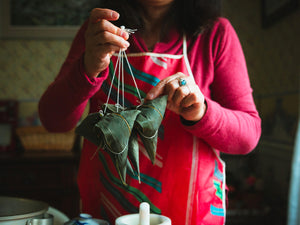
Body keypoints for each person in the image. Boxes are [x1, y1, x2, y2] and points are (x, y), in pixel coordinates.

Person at [39, 0, 261, 224]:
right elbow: (54, 121)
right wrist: (88, 67)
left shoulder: (215, 33)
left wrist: (201, 111)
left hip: (190, 211)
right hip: (107, 207)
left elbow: (248, 136)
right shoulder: (99, 31)